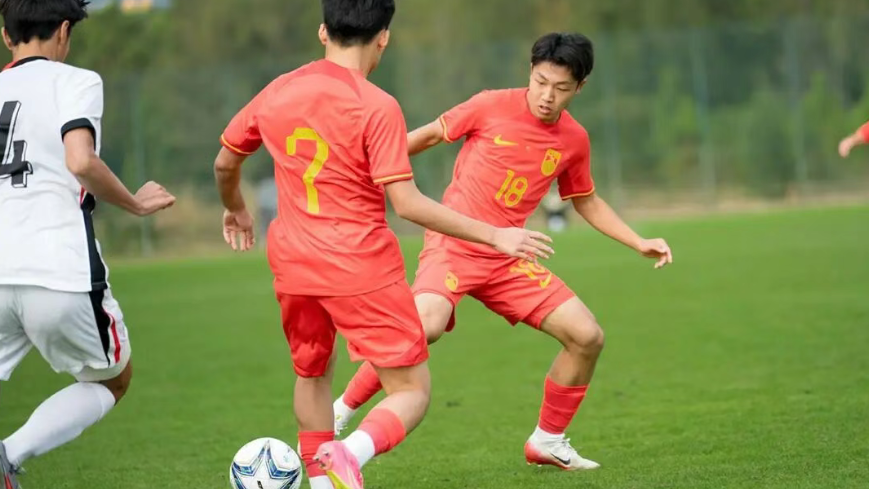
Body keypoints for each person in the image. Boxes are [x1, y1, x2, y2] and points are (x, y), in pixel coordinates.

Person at [213, 1, 552, 488]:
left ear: (323, 31)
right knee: (411, 391)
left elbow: (225, 162)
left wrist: (237, 208)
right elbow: (407, 203)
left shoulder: (278, 90)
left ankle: (321, 481)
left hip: (292, 262)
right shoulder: (376, 105)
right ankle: (348, 453)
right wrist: (496, 233)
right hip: (359, 265)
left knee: (312, 374)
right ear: (384, 37)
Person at [332, 32, 674, 472]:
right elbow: (432, 135)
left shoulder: (574, 140)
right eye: (541, 82)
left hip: (508, 257)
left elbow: (586, 200)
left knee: (587, 336)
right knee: (424, 326)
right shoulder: (490, 104)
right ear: (530, 72)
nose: (547, 96)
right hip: (455, 244)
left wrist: (638, 240)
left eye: (561, 88)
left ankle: (547, 440)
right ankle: (341, 410)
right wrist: (369, 167)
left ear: (580, 88)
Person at [0, 1, 175, 487]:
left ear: (6, 36)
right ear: (63, 31)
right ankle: (8, 454)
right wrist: (134, 204)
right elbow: (80, 161)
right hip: (57, 269)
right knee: (113, 379)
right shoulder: (75, 80)